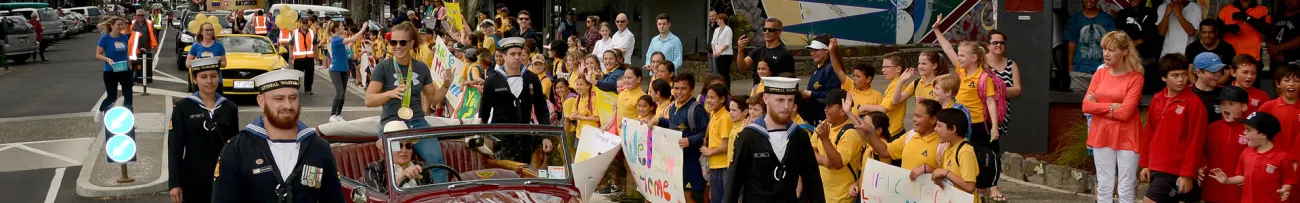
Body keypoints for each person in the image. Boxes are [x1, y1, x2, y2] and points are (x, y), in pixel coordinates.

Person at [211, 69, 344, 202]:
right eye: (279, 99)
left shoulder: (318, 147)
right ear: (261, 101)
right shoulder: (237, 149)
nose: (288, 105)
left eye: (293, 98)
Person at [363, 22, 454, 183]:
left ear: (411, 43)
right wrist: (390, 94)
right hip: (392, 124)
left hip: (417, 123)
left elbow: (434, 99)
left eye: (402, 42)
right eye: (394, 42)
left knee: (436, 158)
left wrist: (446, 85)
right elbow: (369, 100)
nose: (397, 46)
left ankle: (441, 196)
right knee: (394, 162)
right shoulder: (383, 68)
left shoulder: (421, 67)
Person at [723, 77, 825, 203]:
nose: (786, 106)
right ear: (766, 99)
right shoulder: (748, 136)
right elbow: (734, 182)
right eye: (780, 100)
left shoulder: (799, 136)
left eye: (790, 100)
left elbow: (813, 180)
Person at [1082, 31, 1146, 203]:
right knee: (1104, 186)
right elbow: (1086, 106)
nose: (1106, 54)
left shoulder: (1136, 78)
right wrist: (1111, 107)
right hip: (1101, 133)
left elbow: (1126, 113)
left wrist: (1099, 107)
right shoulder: (1100, 73)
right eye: (1104, 49)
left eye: (1111, 50)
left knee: (1126, 187)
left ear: (1124, 52)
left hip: (1128, 136)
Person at [167, 58, 239, 203]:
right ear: (194, 79)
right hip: (193, 179)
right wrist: (174, 184)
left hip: (224, 177)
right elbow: (175, 148)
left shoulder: (229, 107)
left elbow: (235, 147)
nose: (209, 81)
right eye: (203, 77)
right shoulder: (183, 108)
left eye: (213, 76)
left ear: (218, 77)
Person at [1140, 53, 1207, 203]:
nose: (1181, 80)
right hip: (1157, 166)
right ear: (1164, 77)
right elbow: (1149, 133)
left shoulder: (1194, 103)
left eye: (1184, 75)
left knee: (1149, 200)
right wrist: (1145, 164)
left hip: (1176, 169)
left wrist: (1188, 174)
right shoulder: (1157, 99)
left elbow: (1196, 141)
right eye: (1175, 75)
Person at [480, 37, 552, 162]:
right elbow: (484, 111)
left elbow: (541, 109)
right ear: (504, 56)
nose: (517, 57)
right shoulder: (493, 80)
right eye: (513, 54)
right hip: (501, 138)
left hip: (524, 137)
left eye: (520, 54)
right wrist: (483, 136)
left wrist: (545, 136)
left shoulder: (532, 78)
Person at [1207, 112, 1296, 203]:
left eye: (1248, 130)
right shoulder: (1246, 153)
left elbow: (1288, 181)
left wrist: (1285, 190)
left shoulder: (1282, 157)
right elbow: (1242, 177)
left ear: (1263, 134)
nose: (1244, 133)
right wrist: (1227, 180)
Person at [657, 73, 710, 202]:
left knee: (688, 197)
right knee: (677, 193)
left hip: (691, 161)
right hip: (675, 160)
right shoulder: (673, 107)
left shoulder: (696, 110)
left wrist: (690, 141)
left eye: (683, 88)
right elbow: (672, 124)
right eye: (676, 88)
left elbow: (705, 133)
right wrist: (658, 121)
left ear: (691, 89)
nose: (679, 92)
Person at [1201, 85, 1252, 203]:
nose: (1225, 107)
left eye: (1231, 104)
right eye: (1223, 104)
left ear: (1244, 106)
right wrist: (1200, 167)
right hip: (1213, 191)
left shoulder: (1252, 130)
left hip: (1240, 192)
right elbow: (1202, 154)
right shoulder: (1211, 128)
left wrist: (1250, 177)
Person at [809, 89, 862, 203]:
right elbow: (809, 151)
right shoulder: (824, 124)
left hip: (841, 198)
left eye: (829, 106)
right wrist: (823, 160)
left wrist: (825, 140)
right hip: (822, 194)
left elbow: (837, 163)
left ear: (843, 110)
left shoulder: (850, 133)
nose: (825, 110)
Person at [919, 108, 981, 202]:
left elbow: (970, 186)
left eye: (939, 126)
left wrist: (946, 173)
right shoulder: (948, 147)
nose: (935, 129)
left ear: (952, 129)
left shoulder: (965, 151)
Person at [1066, 0, 1117, 91]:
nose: (1089, 1)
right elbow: (1071, 43)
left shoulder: (1107, 19)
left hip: (1102, 70)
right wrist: (1070, 65)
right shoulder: (1075, 19)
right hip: (1079, 69)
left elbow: (1113, 43)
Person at [327, 21, 368, 122]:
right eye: (341, 26)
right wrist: (362, 29)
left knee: (343, 93)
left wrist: (355, 40)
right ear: (336, 29)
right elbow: (353, 39)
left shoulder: (341, 41)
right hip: (335, 70)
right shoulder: (336, 40)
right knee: (339, 92)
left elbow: (348, 46)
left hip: (344, 69)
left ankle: (338, 114)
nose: (343, 28)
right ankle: (332, 114)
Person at [736, 17, 795, 85]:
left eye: (771, 30)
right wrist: (740, 50)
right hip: (758, 92)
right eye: (765, 29)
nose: (767, 32)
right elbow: (742, 67)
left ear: (779, 32)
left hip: (775, 92)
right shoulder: (757, 51)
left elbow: (791, 79)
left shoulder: (785, 54)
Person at [96, 17, 133, 121]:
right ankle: (101, 110)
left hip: (124, 70)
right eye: (118, 25)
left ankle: (129, 120)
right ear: (112, 25)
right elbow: (98, 54)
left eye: (122, 25)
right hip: (110, 71)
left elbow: (126, 53)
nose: (121, 27)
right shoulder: (105, 38)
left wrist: (129, 66)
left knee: (128, 96)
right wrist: (107, 59)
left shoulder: (125, 37)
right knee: (112, 97)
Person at [798, 35, 841, 126]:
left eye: (816, 50)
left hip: (825, 118)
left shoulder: (831, 68)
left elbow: (833, 94)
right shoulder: (820, 67)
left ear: (827, 50)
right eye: (812, 50)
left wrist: (810, 94)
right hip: (817, 117)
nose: (813, 53)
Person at [700, 84, 732, 203]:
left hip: (723, 165)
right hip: (714, 165)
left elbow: (725, 146)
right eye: (708, 97)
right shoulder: (714, 114)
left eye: (712, 98)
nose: (709, 101)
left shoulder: (725, 117)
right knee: (714, 199)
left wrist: (710, 152)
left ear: (722, 99)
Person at [1258, 65, 1300, 156]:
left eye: (1296, 81)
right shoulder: (1268, 107)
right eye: (1286, 80)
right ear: (1278, 83)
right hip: (1273, 160)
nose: (1291, 84)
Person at [363, 139, 428, 193]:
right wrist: (401, 178)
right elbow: (378, 199)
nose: (404, 151)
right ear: (384, 149)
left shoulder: (422, 166)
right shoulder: (373, 169)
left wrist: (420, 178)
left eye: (408, 146)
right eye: (398, 146)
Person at [1189, 52, 1226, 125]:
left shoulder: (1226, 94)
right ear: (1199, 73)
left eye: (1220, 70)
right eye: (1214, 71)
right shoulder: (1187, 94)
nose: (1218, 75)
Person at [284, 17, 318, 95]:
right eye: (303, 23)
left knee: (309, 74)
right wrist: (291, 54)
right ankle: (296, 89)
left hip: (309, 58)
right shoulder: (295, 32)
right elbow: (291, 44)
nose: (305, 25)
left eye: (306, 23)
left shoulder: (311, 32)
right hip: (298, 58)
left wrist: (316, 55)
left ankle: (308, 89)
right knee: (297, 75)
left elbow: (315, 45)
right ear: (300, 24)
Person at [1268, 0, 1300, 67]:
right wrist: (1275, 52)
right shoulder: (1278, 16)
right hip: (1278, 60)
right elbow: (1271, 35)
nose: (1289, 1)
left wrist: (1278, 48)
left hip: (1296, 62)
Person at [711, 13, 734, 85]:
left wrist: (720, 51)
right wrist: (714, 51)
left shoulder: (728, 30)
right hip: (717, 54)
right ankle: (720, 88)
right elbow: (713, 42)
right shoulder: (716, 30)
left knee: (725, 74)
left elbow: (727, 44)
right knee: (719, 74)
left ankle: (727, 90)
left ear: (722, 20)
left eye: (718, 19)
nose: (716, 20)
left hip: (726, 55)